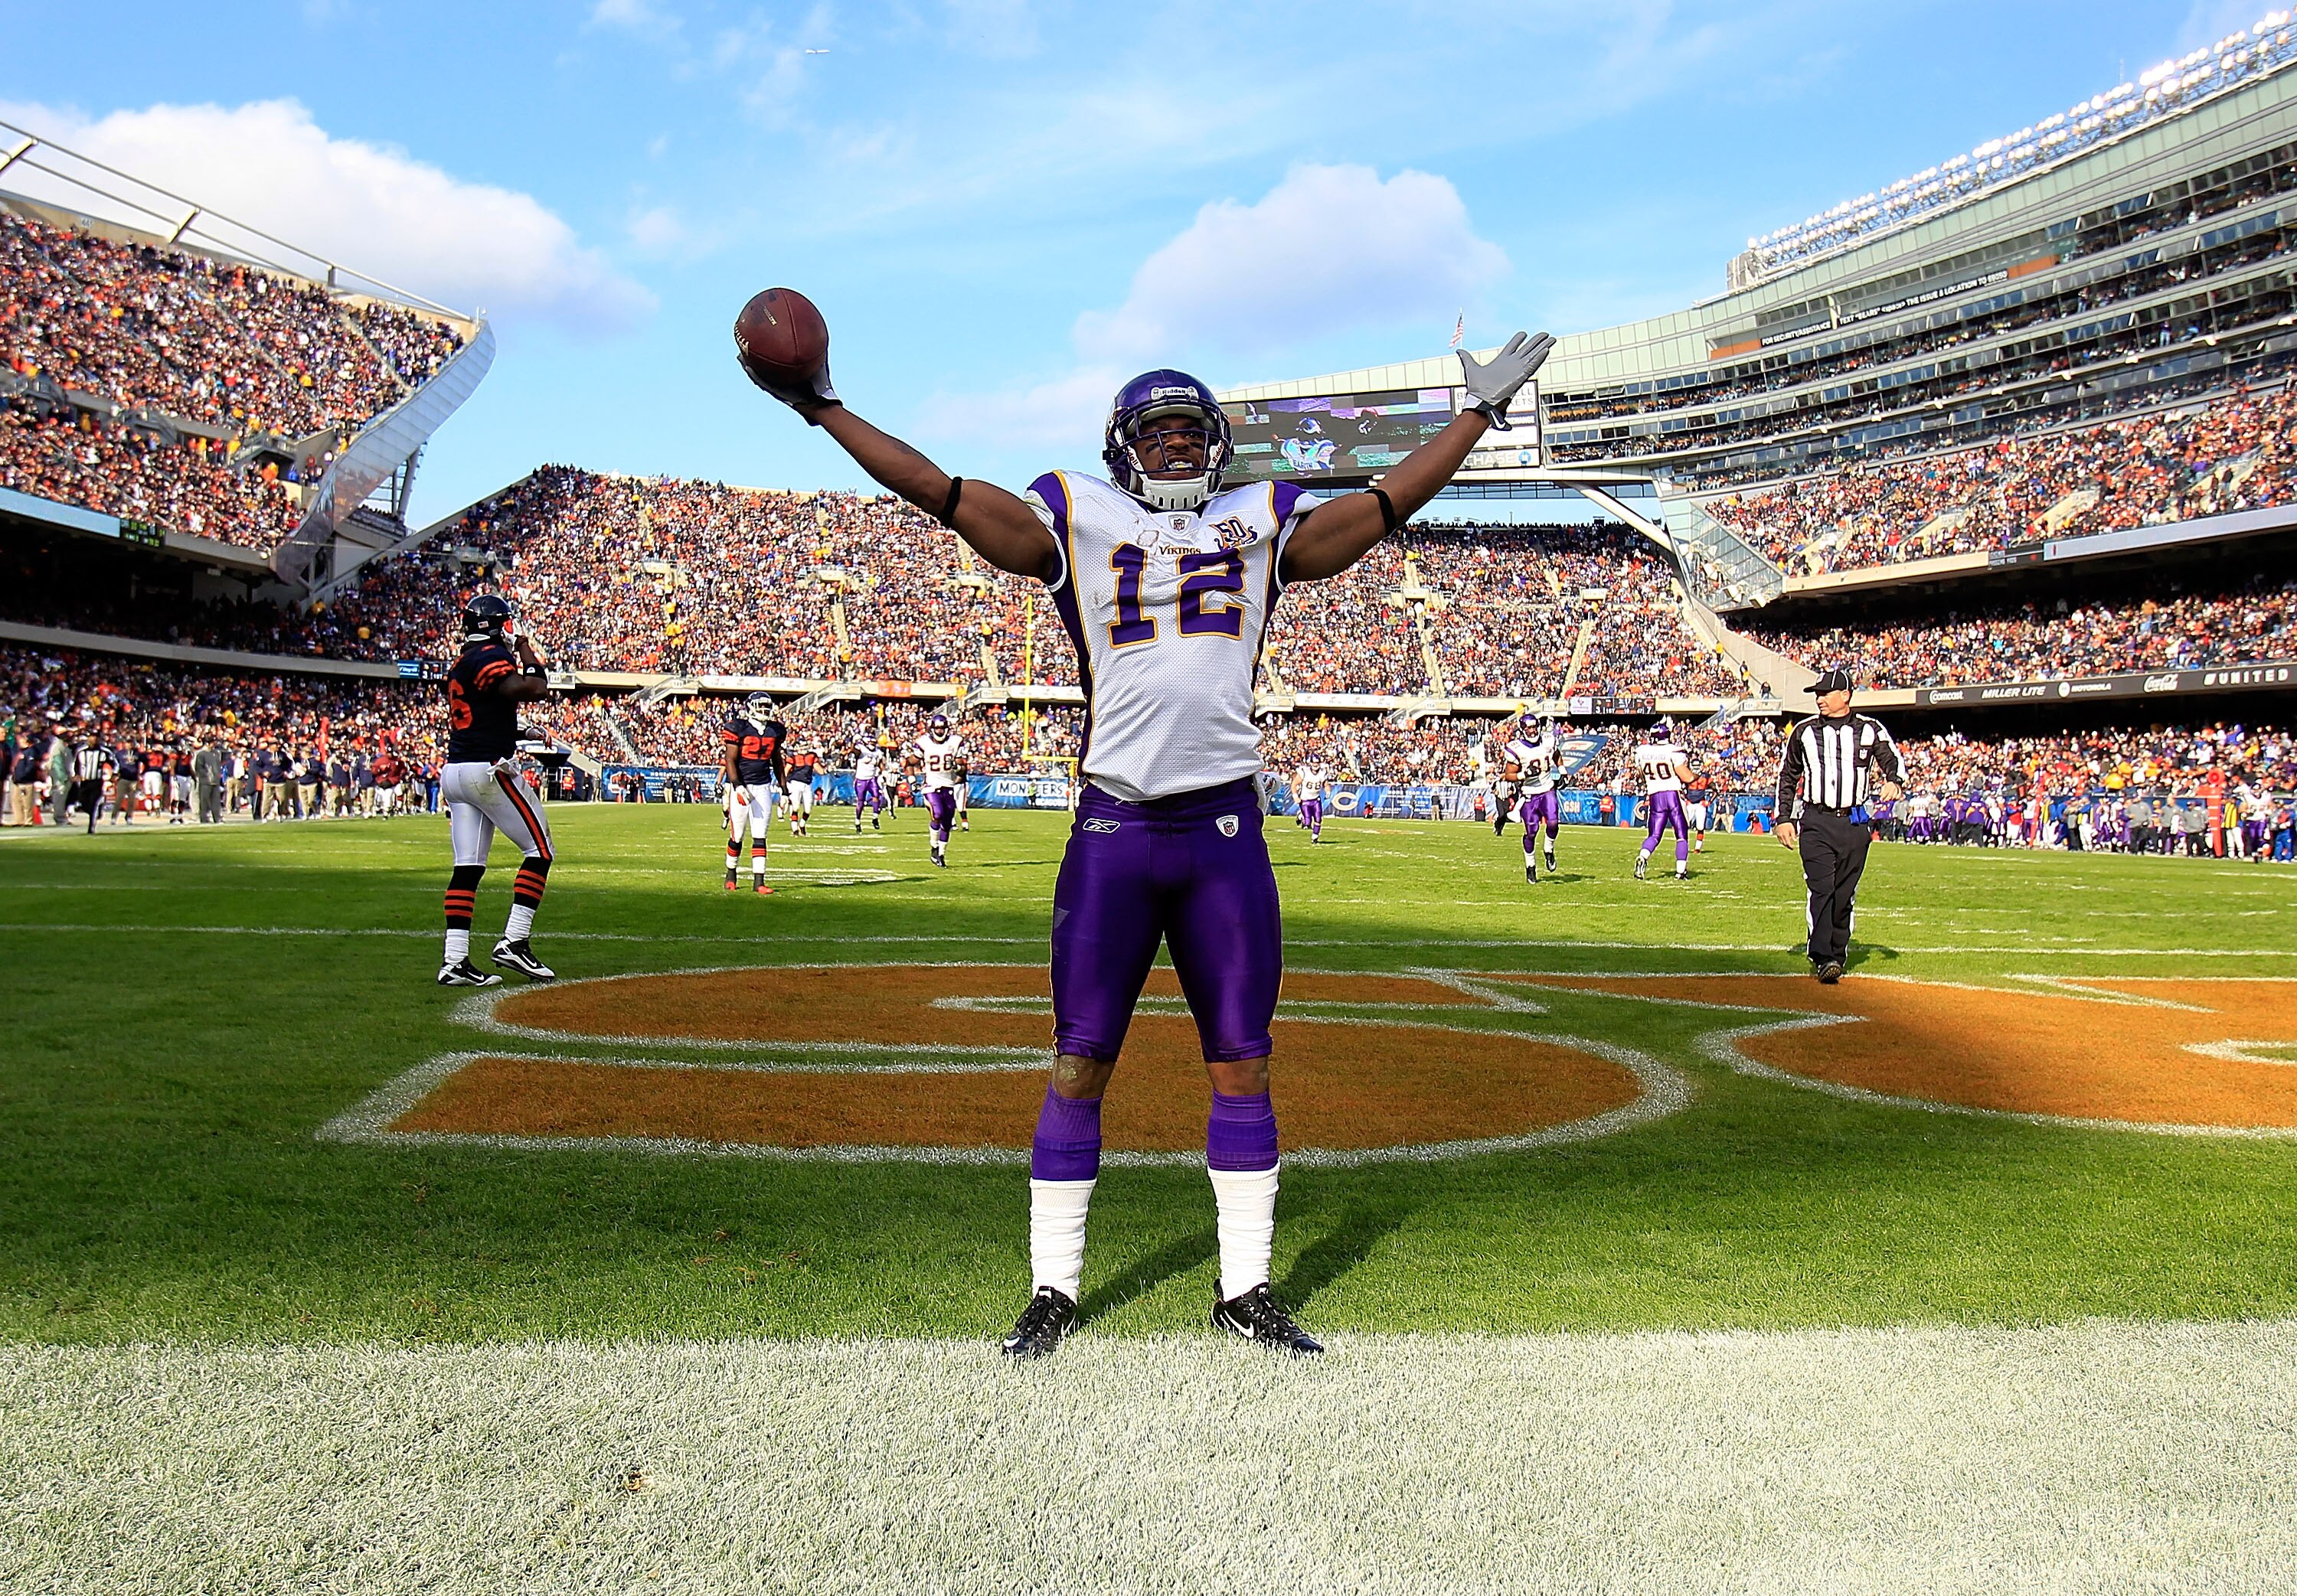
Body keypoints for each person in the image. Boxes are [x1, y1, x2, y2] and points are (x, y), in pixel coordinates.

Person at [747, 318, 1553, 1357]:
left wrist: (1477, 416)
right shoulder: (1075, 515)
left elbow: (1384, 506)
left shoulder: (1262, 520)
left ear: (1215, 444)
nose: (1176, 447)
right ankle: (1053, 1287)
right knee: (1079, 1062)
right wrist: (822, 408)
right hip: (1117, 825)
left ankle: (1246, 1288)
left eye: (1190, 432)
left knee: (1244, 1063)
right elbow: (943, 493)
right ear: (1124, 445)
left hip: (1223, 830)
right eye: (1158, 433)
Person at [436, 594, 557, 987]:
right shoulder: (489, 655)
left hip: (455, 771)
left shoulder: (461, 663)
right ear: (496, 626)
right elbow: (534, 688)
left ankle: (454, 960)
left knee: (467, 867)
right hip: (487, 771)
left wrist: (519, 732)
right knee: (540, 850)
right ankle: (514, 941)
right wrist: (527, 650)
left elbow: (481, 716)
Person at [1773, 667, 1907, 984]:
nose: (1819, 699)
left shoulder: (1870, 729)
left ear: (1845, 696)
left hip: (1854, 821)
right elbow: (1787, 776)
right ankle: (1823, 956)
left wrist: (1894, 781)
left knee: (1843, 893)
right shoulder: (1804, 732)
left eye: (1824, 693)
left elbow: (1893, 759)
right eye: (1817, 694)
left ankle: (1837, 950)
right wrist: (1783, 818)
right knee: (1821, 888)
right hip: (1816, 820)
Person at [722, 694, 787, 893]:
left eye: (768, 706)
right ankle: (731, 874)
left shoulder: (775, 731)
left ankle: (759, 882)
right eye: (761, 706)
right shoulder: (739, 728)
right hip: (742, 787)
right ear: (750, 707)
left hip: (763, 787)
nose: (765, 709)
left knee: (760, 835)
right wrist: (737, 785)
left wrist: (784, 790)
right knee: (738, 835)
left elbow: (777, 761)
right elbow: (730, 760)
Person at [1633, 720, 1696, 881]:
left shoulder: (1643, 751)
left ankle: (1643, 857)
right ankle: (1680, 871)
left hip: (1655, 794)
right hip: (1673, 794)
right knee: (1681, 835)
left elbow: (1641, 775)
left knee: (1654, 835)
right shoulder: (1673, 751)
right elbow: (1687, 777)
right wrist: (1698, 775)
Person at [1505, 717, 1562, 883]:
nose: (1533, 730)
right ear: (1523, 730)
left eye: (1535, 726)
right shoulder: (1516, 748)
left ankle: (1549, 850)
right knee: (1531, 833)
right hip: (1529, 793)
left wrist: (1563, 771)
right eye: (1529, 728)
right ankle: (1530, 866)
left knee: (1553, 823)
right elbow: (1509, 775)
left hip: (1547, 788)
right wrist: (1524, 774)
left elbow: (1556, 755)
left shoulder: (1548, 740)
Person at [911, 711, 966, 867]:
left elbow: (963, 768)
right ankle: (934, 847)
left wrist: (958, 767)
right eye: (937, 728)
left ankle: (941, 855)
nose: (940, 731)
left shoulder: (955, 742)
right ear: (932, 728)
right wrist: (911, 779)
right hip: (931, 785)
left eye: (942, 728)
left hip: (948, 785)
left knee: (947, 822)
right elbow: (909, 763)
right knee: (938, 814)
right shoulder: (924, 743)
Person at [783, 741, 818, 837]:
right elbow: (786, 770)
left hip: (807, 784)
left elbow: (819, 769)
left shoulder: (811, 756)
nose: (803, 748)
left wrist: (827, 770)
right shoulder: (793, 758)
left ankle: (802, 825)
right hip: (795, 783)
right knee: (796, 807)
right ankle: (795, 830)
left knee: (808, 810)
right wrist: (783, 783)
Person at [851, 741, 887, 832]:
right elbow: (854, 751)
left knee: (876, 796)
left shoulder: (878, 752)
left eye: (873, 742)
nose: (872, 744)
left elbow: (880, 763)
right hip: (861, 779)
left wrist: (883, 771)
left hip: (871, 778)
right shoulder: (862, 749)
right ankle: (858, 822)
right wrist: (853, 742)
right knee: (860, 801)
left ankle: (875, 818)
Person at [1294, 760, 1325, 844]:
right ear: (1311, 763)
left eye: (1317, 763)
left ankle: (1315, 837)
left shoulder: (1322, 773)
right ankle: (1301, 816)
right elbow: (1294, 784)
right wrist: (1295, 795)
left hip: (1316, 799)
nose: (1316, 765)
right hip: (1305, 799)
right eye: (1314, 763)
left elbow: (1326, 784)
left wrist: (1328, 790)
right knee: (1307, 823)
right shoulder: (1305, 772)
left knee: (1318, 819)